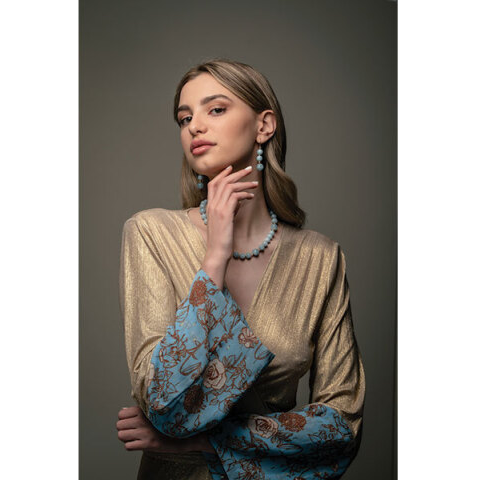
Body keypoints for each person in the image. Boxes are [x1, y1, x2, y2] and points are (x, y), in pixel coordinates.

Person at [116, 59, 365, 479]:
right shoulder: (150, 232)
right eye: (184, 118)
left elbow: (342, 425)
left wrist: (205, 441)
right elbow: (159, 396)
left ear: (264, 125)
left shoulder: (320, 258)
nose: (194, 126)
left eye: (215, 109)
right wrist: (215, 257)